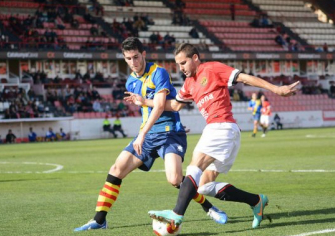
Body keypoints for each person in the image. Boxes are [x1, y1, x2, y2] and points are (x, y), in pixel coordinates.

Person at [125, 43, 299, 230]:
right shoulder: (189, 84)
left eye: (183, 62)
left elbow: (245, 78)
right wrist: (145, 101)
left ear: (195, 58)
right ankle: (256, 201)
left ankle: (176, 215)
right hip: (224, 132)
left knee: (194, 166)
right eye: (178, 64)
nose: (180, 68)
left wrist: (277, 89)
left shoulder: (212, 68)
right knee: (203, 187)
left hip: (222, 127)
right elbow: (174, 106)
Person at [74, 38, 226, 232]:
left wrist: (142, 133)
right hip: (147, 136)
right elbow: (145, 110)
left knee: (175, 179)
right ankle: (99, 219)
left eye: (136, 57)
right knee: (116, 169)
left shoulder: (159, 72)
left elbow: (161, 105)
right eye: (128, 58)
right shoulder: (131, 81)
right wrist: (143, 133)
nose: (133, 62)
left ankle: (209, 207)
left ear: (144, 54)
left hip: (169, 134)